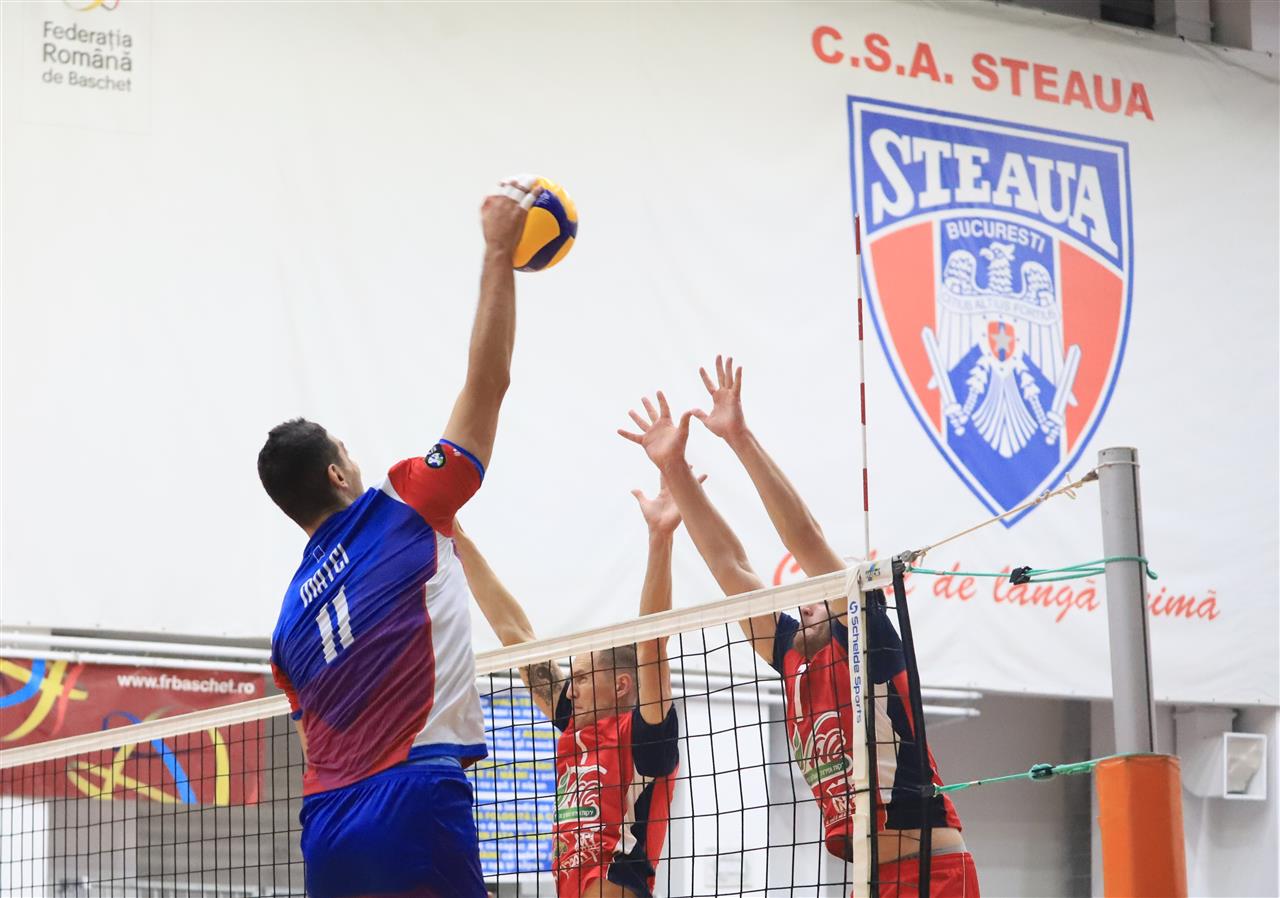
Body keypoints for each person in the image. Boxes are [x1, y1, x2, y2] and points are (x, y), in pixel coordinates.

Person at [258, 178, 540, 898]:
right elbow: (488, 384)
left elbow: (314, 745)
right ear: (336, 473)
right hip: (411, 796)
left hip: (327, 825)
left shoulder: (287, 623)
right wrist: (498, 253)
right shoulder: (403, 503)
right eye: (345, 451)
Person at [618, 357, 979, 898]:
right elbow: (731, 567)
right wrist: (674, 469)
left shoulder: (867, 642)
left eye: (818, 594)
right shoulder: (790, 655)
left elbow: (805, 537)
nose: (805, 601)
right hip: (866, 879)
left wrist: (739, 437)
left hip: (930, 872)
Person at [454, 477, 687, 898]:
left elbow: (652, 641)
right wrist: (456, 535)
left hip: (615, 882)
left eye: (581, 678)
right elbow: (515, 634)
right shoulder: (576, 728)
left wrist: (660, 538)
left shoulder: (644, 734)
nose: (571, 689)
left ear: (621, 685)